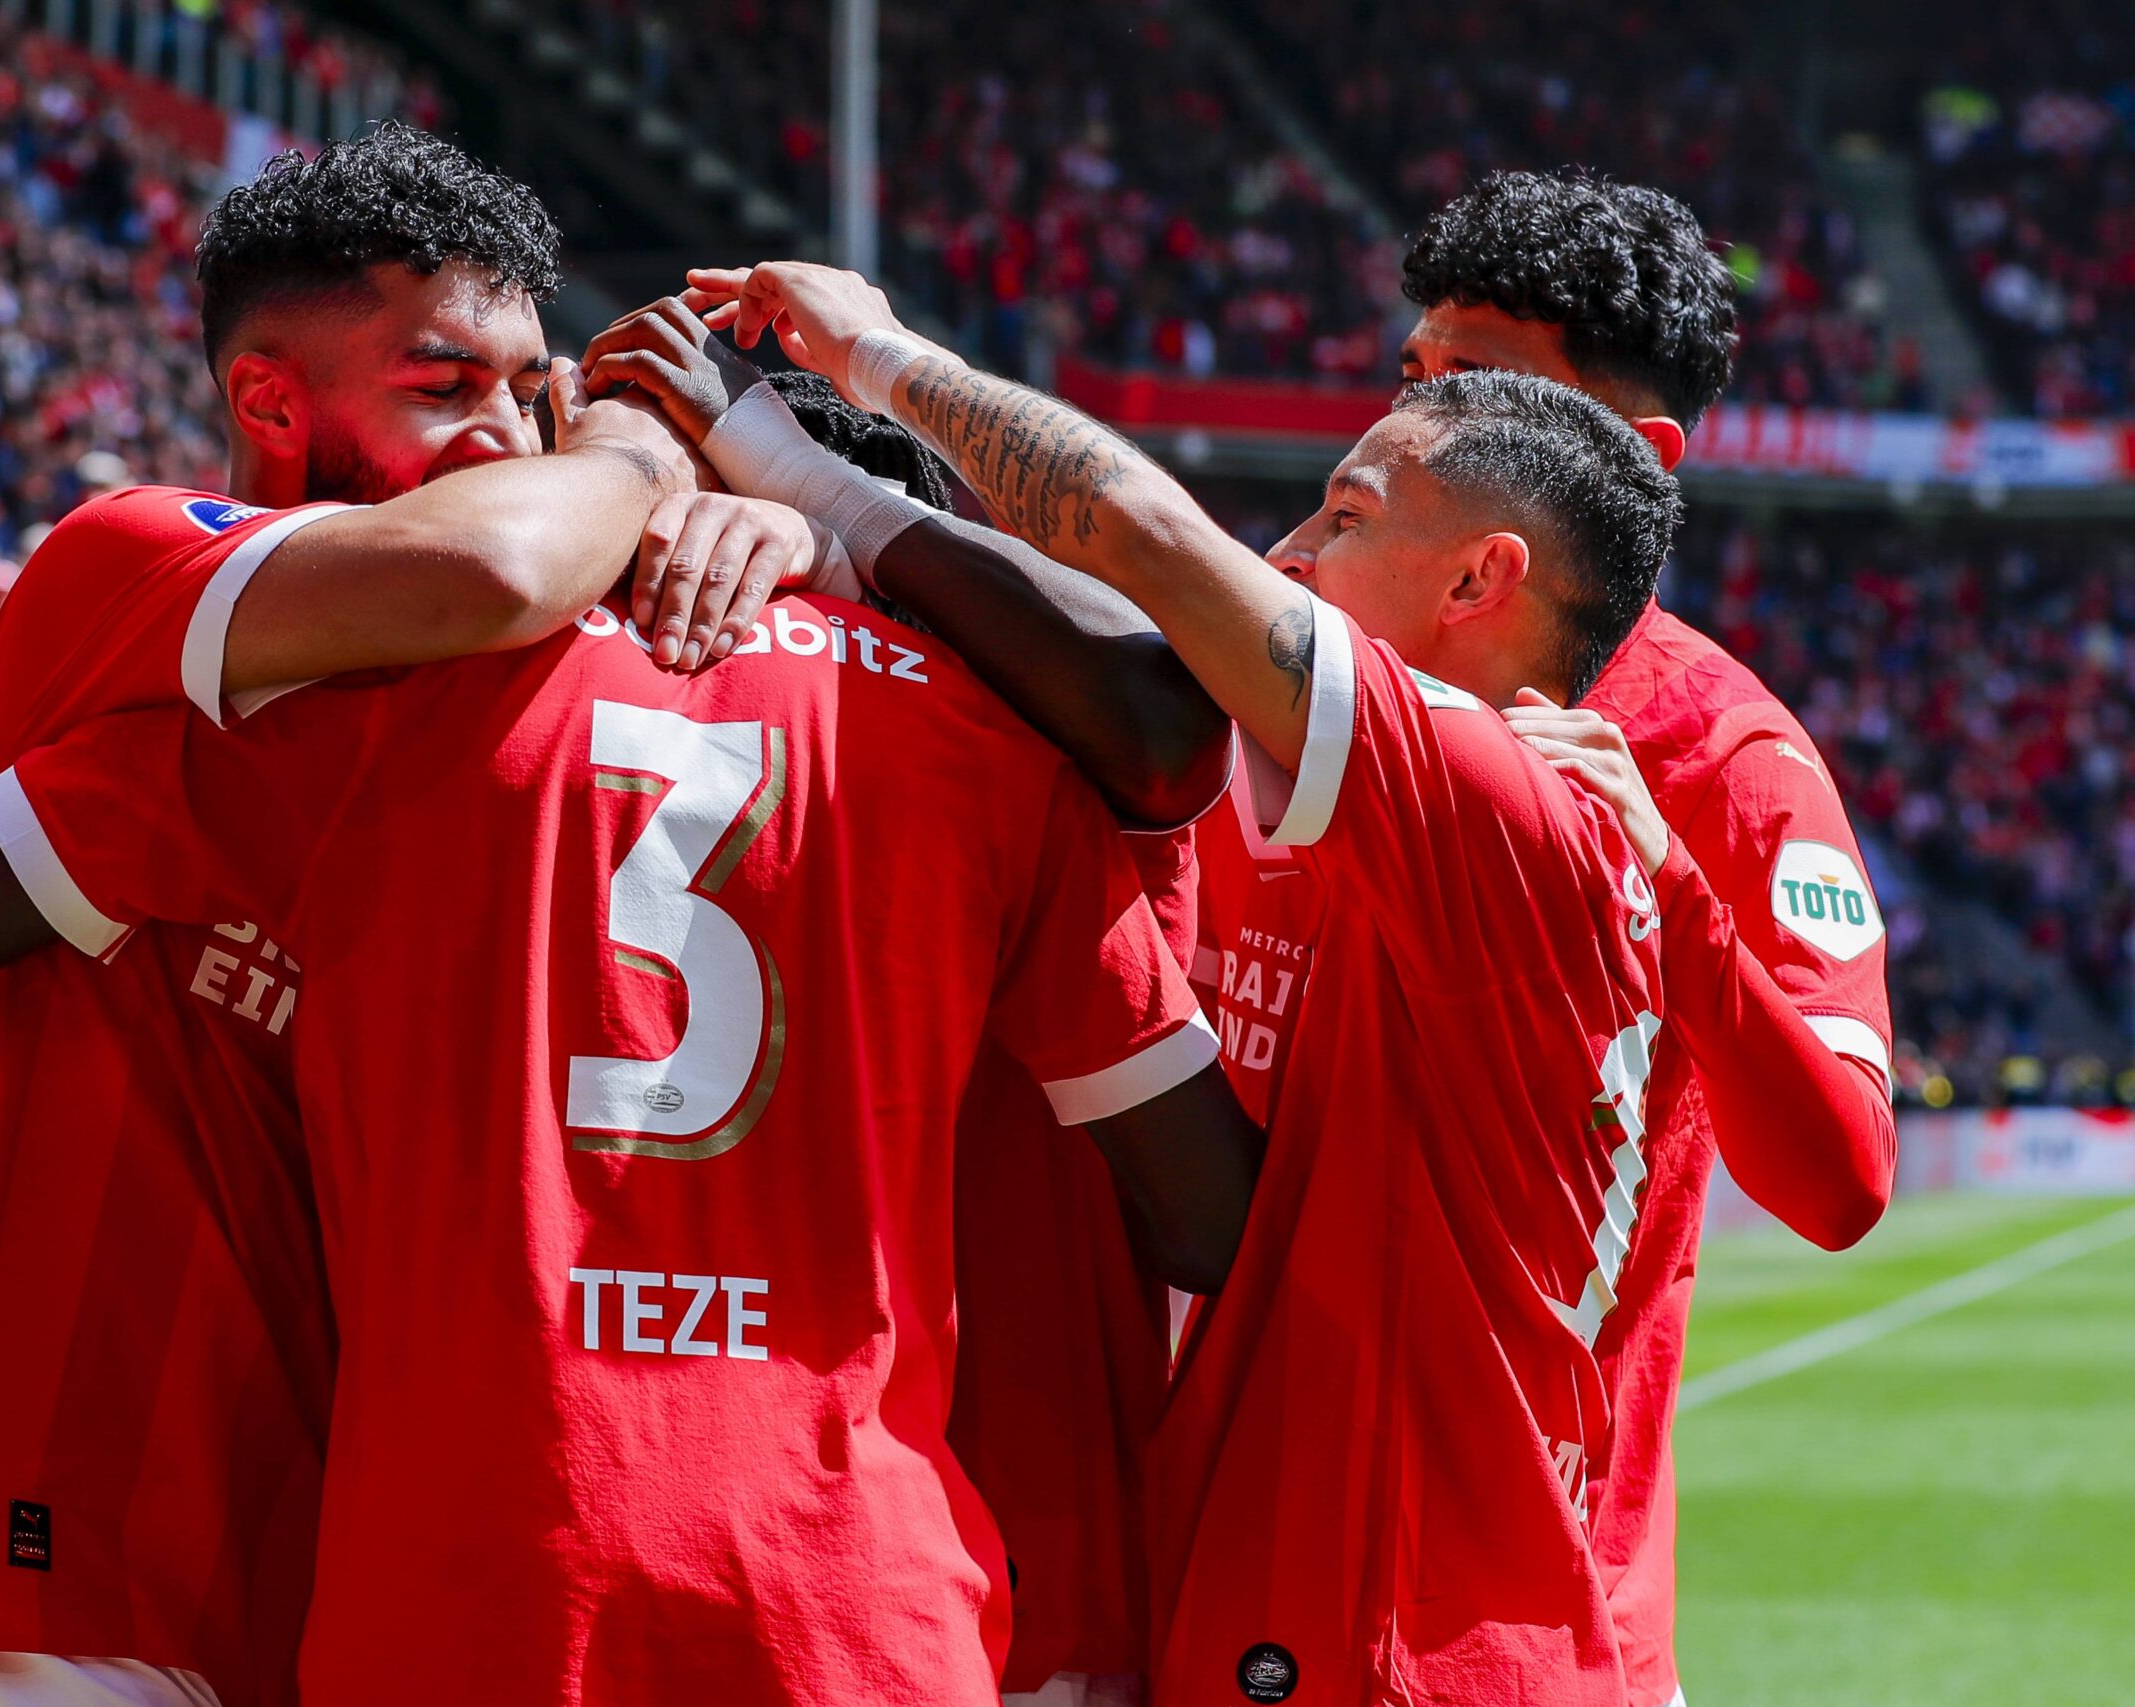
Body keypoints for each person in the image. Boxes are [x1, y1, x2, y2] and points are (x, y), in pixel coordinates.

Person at [0, 413, 1268, 1704]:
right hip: (849, 1593)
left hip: (478, 1581)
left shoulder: (390, 699)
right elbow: (1210, 1211)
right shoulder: (995, 755)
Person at [0, 127, 787, 1705]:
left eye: (534, 390)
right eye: (447, 388)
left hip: (287, 1583)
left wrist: (777, 526)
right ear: (269, 403)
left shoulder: (473, 728)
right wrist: (653, 454)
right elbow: (495, 566)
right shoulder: (135, 561)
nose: (511, 435)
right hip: (17, 1567)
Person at [683, 256, 1683, 1704]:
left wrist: (852, 389)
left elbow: (1141, 538)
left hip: (1396, 1638)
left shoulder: (1510, 813)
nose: (1284, 553)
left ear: (1483, 579)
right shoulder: (1399, 826)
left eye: (1345, 515)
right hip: (1351, 1604)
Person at [580, 297, 1232, 1706]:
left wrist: (819, 523)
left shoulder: (526, 717)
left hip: (614, 1532)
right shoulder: (1014, 744)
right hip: (971, 1572)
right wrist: (846, 529)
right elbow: (1164, 710)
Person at [1394, 170, 1898, 1707]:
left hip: (1544, 1619)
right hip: (1247, 1561)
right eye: (1415, 378)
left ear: (1633, 459)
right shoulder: (1304, 657)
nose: (1419, 427)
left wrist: (1670, 890)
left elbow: (1840, 1181)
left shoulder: (1725, 757)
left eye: (1478, 387)